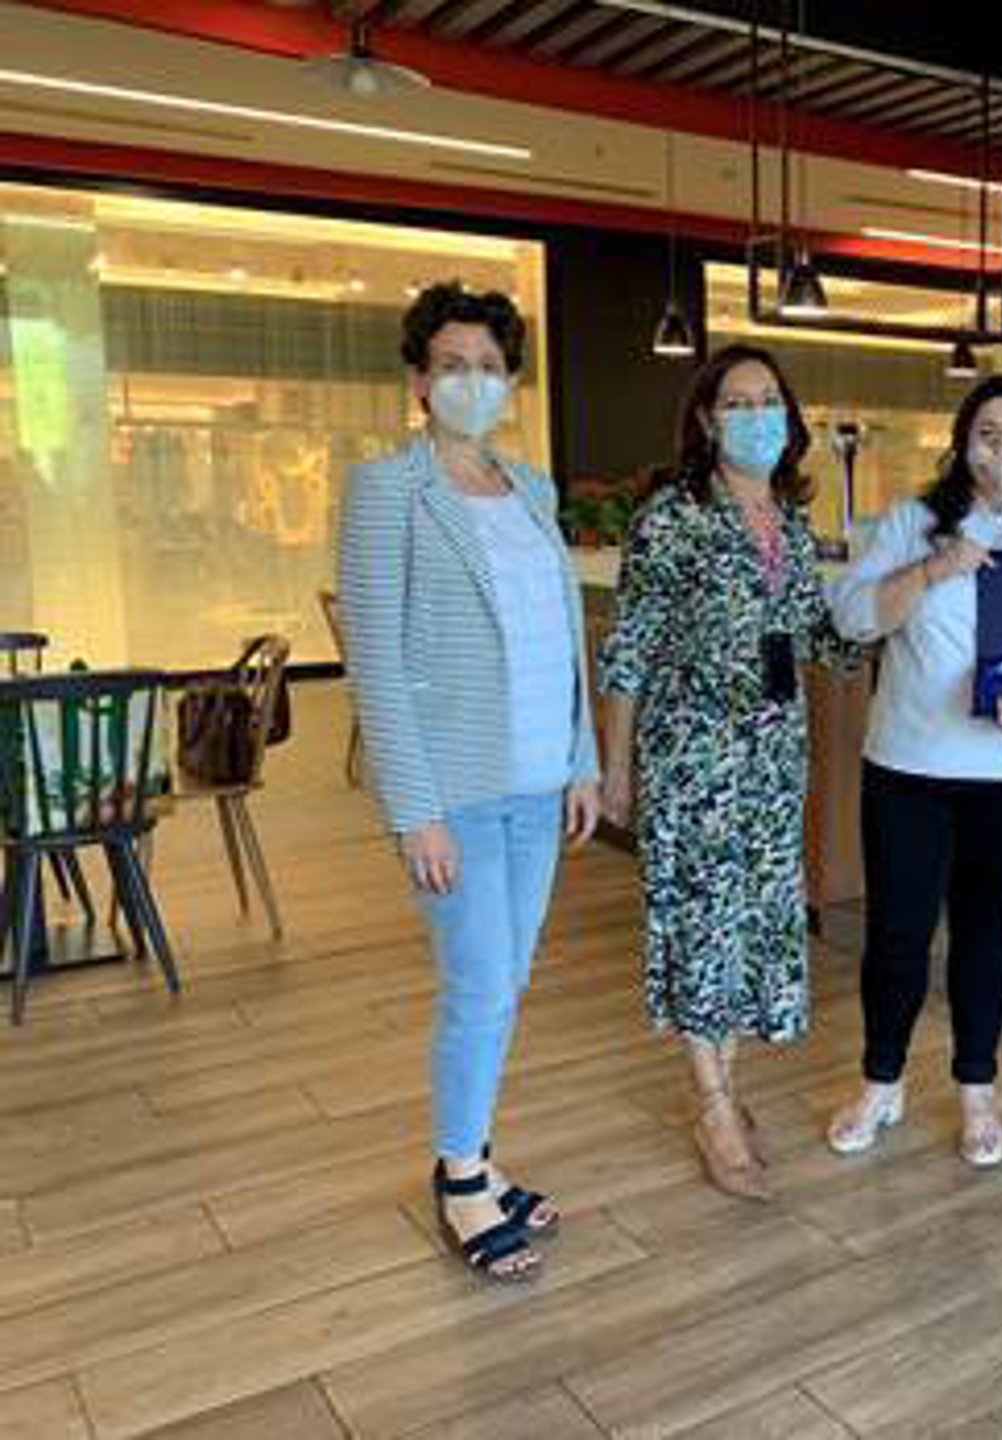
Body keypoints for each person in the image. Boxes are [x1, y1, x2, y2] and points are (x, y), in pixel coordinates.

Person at [337, 281, 601, 1283]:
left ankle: (478, 1157)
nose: (471, 381)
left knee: (505, 982)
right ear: (419, 379)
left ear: (511, 380)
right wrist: (416, 814)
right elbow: (376, 662)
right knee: (479, 985)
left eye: (489, 366)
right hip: (457, 794)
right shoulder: (387, 490)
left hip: (540, 782)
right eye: (452, 365)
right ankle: (459, 1180)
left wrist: (582, 760)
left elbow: (560, 636)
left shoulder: (531, 488)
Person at [597, 344, 863, 1201]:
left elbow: (815, 635)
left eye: (769, 400)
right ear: (708, 421)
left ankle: (724, 1082)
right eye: (738, 403)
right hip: (695, 755)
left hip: (775, 759)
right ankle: (711, 1103)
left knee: (749, 922)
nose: (757, 416)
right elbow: (628, 647)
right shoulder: (672, 517)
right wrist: (616, 768)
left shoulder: (789, 521)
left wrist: (905, 598)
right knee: (701, 923)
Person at [824, 375, 1002, 1167]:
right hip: (911, 765)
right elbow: (850, 618)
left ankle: (978, 1091)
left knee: (988, 932)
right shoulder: (914, 522)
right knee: (898, 933)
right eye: (988, 434)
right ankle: (881, 1083)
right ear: (962, 443)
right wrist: (932, 570)